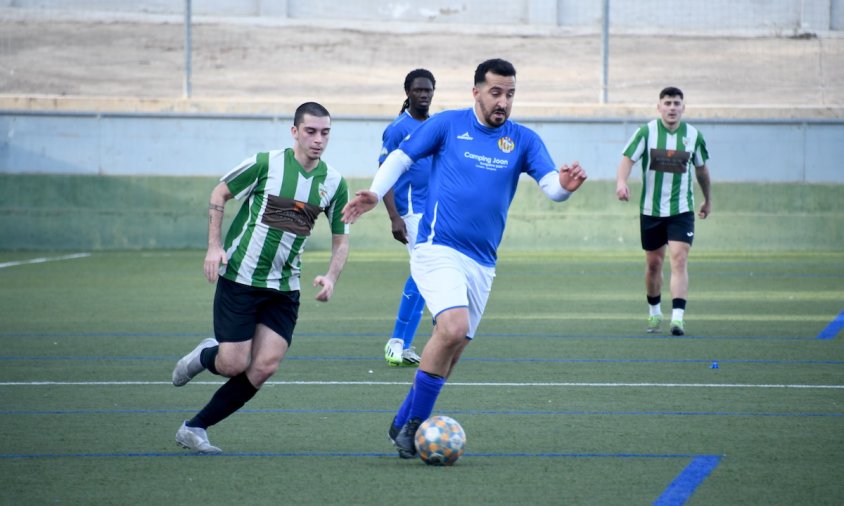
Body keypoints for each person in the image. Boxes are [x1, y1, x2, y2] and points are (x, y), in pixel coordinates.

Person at [342, 58, 588, 458]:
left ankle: (403, 418)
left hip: (482, 262)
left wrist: (566, 185)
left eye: (510, 94)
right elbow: (401, 158)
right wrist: (375, 192)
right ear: (476, 91)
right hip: (437, 246)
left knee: (453, 348)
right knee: (452, 328)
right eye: (495, 92)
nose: (503, 102)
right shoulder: (447, 124)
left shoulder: (523, 140)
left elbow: (552, 188)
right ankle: (415, 427)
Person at [171, 101, 350, 453]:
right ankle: (206, 356)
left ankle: (195, 428)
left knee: (265, 366)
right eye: (311, 131)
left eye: (325, 133)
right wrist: (213, 246)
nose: (318, 140)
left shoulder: (333, 182)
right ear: (295, 131)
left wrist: (331, 276)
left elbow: (341, 239)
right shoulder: (265, 164)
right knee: (232, 363)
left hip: (285, 289)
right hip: (240, 277)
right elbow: (220, 192)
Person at [615, 86, 711, 336]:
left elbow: (702, 170)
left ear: (683, 107)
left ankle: (678, 318)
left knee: (679, 258)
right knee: (654, 263)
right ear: (659, 107)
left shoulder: (693, 136)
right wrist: (621, 182)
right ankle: (654, 312)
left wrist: (707, 200)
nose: (672, 107)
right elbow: (627, 159)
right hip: (651, 210)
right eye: (667, 103)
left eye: (676, 103)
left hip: (682, 210)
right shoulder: (646, 132)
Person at [381, 68, 436, 368]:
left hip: (434, 212)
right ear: (408, 93)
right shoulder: (397, 129)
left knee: (430, 270)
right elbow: (384, 173)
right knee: (424, 270)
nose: (424, 95)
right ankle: (397, 343)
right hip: (411, 211)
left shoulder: (435, 125)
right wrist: (394, 217)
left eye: (428, 90)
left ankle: (404, 342)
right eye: (418, 90)